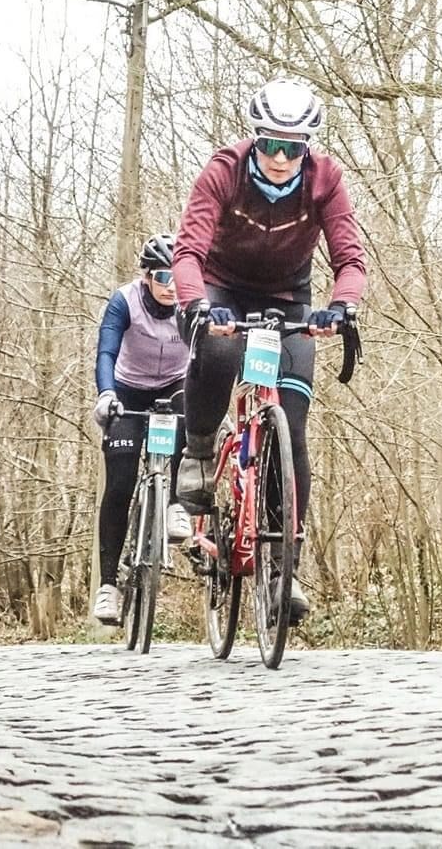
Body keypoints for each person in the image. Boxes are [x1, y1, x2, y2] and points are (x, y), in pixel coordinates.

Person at [171, 78, 366, 621]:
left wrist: (342, 306)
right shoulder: (223, 172)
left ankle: (286, 568)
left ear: (308, 148)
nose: (280, 158)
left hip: (289, 299)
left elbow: (350, 258)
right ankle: (201, 448)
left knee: (293, 426)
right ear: (254, 140)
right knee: (219, 351)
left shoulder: (326, 179)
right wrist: (197, 304)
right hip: (223, 288)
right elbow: (187, 251)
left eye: (293, 147)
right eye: (270, 145)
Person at [91, 232, 196, 625]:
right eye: (162, 278)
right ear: (147, 277)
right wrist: (106, 394)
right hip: (128, 391)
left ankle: (175, 505)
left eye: (177, 278)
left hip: (174, 386)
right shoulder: (125, 301)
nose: (170, 288)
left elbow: (207, 358)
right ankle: (108, 587)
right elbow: (106, 350)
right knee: (118, 484)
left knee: (193, 412)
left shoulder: (190, 302)